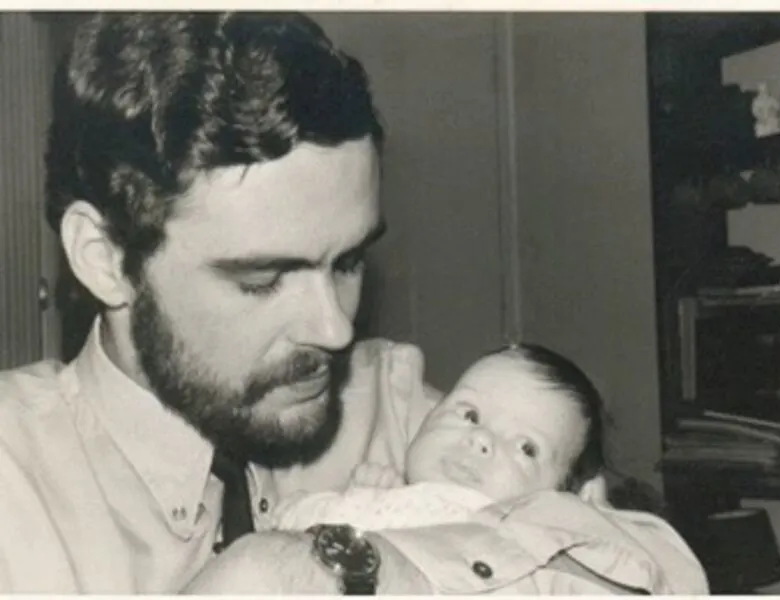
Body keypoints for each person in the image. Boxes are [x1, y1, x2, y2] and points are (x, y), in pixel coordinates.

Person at [0, 12, 707, 594]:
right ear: (105, 258)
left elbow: (664, 568)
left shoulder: (394, 406)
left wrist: (348, 570)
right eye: (262, 279)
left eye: (348, 262)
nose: (334, 329)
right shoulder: (17, 483)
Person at [269, 343, 706, 594]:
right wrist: (354, 502)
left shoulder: (542, 544)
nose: (481, 439)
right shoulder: (381, 491)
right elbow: (276, 539)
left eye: (526, 447)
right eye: (469, 414)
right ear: (424, 419)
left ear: (572, 496)